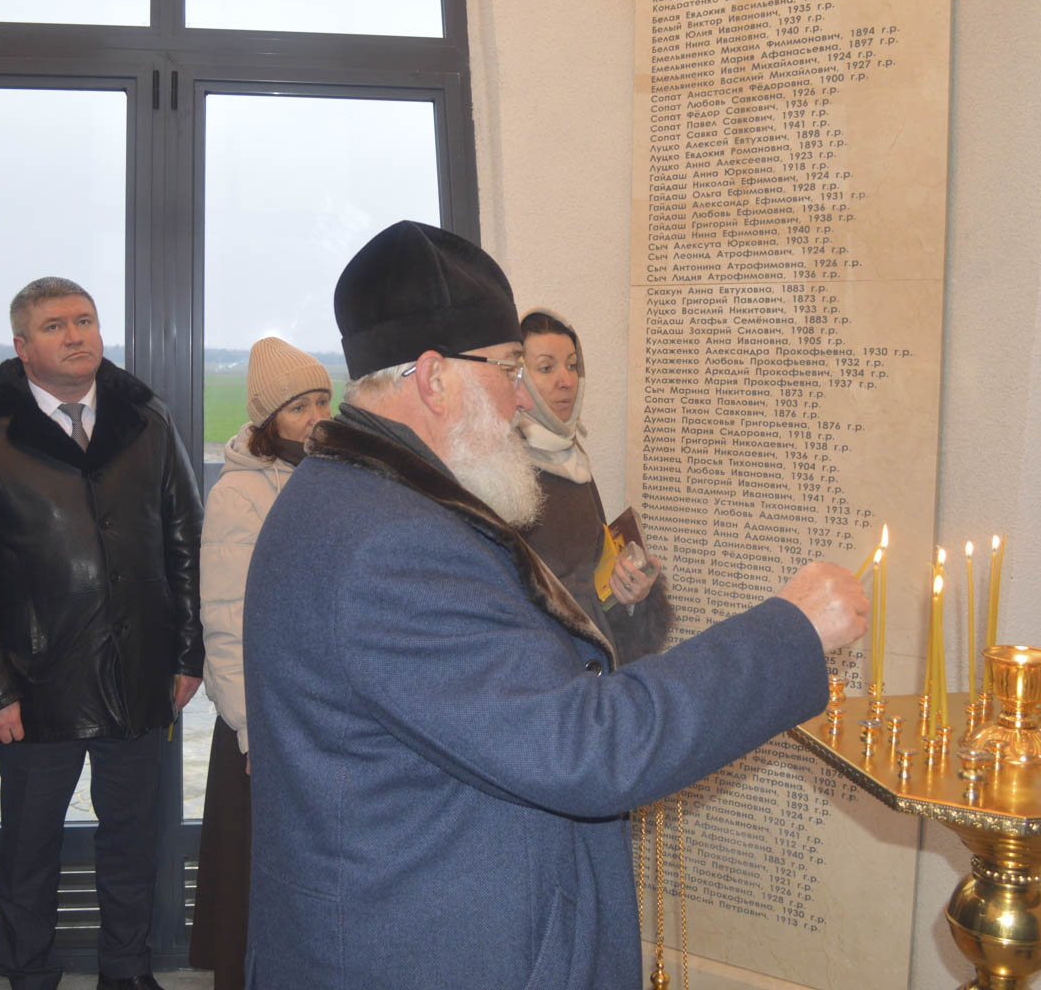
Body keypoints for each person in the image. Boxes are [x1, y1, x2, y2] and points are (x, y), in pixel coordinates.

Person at [242, 221, 867, 990]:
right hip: (429, 955)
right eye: (509, 369)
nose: (522, 400)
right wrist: (790, 632)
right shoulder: (389, 543)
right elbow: (584, 749)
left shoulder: (362, 493)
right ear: (433, 378)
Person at [0, 277, 204, 990]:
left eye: (84, 320)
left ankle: (128, 971)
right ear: (22, 347)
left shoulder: (147, 420)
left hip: (139, 674)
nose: (76, 335)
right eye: (55, 326)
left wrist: (188, 652)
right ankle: (28, 973)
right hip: (32, 682)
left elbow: (185, 541)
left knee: (133, 841)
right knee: (28, 848)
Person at [189, 337, 332, 990]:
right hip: (264, 719)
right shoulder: (238, 494)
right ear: (268, 419)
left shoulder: (334, 478)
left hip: (318, 711)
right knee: (251, 876)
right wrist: (250, 728)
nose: (316, 417)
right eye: (298, 407)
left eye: (323, 400)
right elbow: (225, 620)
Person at [517, 308, 673, 664]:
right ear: (518, 377)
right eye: (546, 368)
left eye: (572, 365)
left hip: (592, 659)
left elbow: (595, 569)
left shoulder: (572, 457)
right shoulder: (504, 469)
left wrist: (629, 593)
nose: (566, 380)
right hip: (545, 665)